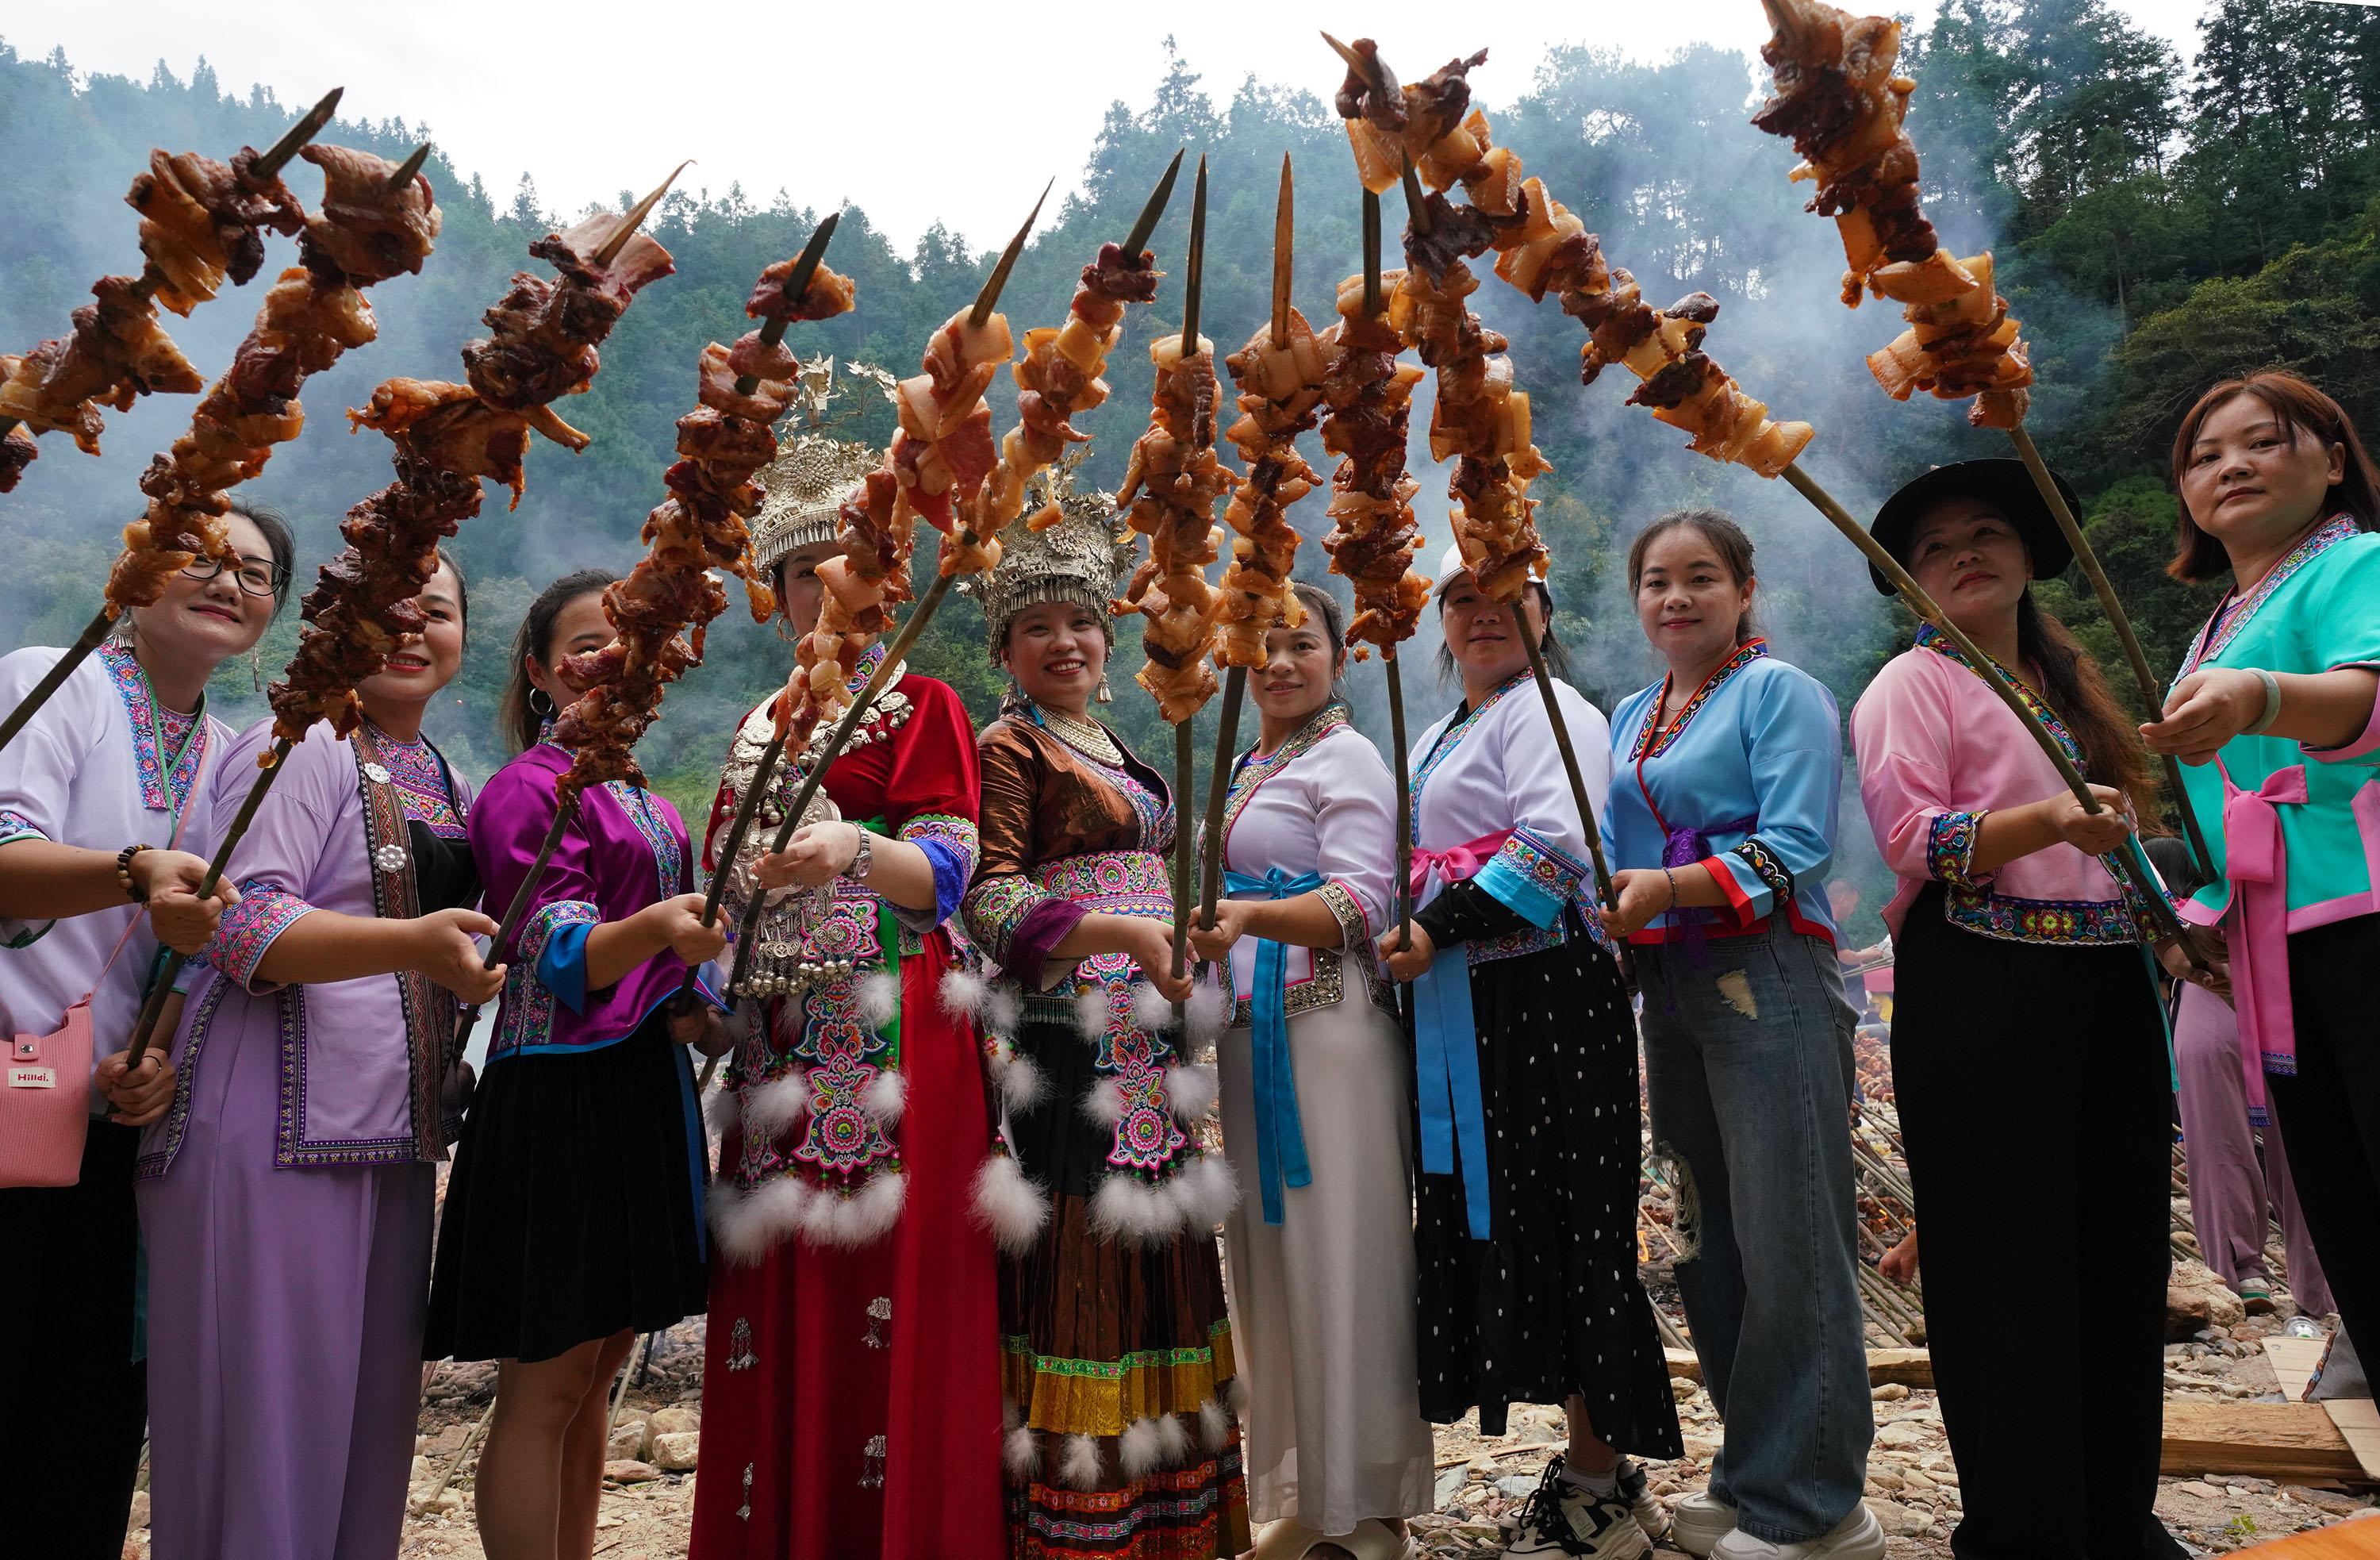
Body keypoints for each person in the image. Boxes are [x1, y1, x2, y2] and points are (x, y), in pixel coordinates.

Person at [1849, 458, 2198, 1560]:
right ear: (1912, 578)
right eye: (1936, 544)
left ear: (2029, 551)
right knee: (2004, 1266)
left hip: (2105, 983)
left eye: (1986, 530)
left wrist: (2177, 929)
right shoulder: (1912, 684)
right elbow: (1917, 839)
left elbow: (2117, 851)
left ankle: (2115, 1515)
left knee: (2119, 1252)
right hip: (1982, 986)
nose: (1964, 551)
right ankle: (2024, 1529)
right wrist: (2049, 818)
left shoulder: (2063, 679)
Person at [138, 553, 503, 1560]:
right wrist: (415, 945)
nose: (413, 627)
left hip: (391, 1131)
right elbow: (240, 921)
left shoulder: (447, 776)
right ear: (336, 621)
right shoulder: (299, 741)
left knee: (363, 1435)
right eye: (389, 607)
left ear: (463, 639)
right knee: (265, 1429)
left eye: (437, 611)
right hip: (267, 1121)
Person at [688, 439, 1000, 1558]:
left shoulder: (922, 703)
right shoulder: (756, 724)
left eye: (849, 572)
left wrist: (854, 847)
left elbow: (949, 868)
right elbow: (723, 886)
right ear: (774, 597)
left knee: (889, 1276)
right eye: (802, 576)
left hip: (891, 1020)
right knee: (781, 1277)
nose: (827, 595)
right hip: (774, 1033)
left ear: (886, 586)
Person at [955, 482, 1250, 1560]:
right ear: (1005, 648)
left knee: (1160, 1243)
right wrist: (1123, 930)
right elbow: (989, 898)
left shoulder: (1114, 742)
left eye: (1081, 620)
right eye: (1037, 625)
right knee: (1084, 1252)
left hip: (1146, 1037)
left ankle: (1174, 1523)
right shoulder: (1007, 747)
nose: (1064, 641)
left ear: (1110, 637)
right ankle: (1087, 1532)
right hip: (1070, 1038)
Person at [1375, 546, 1682, 1559]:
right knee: (1509, 1213)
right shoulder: (1441, 732)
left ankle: (1595, 1482)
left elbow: (1552, 849)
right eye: (1462, 598)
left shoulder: (1558, 711)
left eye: (1507, 596)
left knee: (1568, 1214)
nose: (1483, 612)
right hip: (1469, 997)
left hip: (1546, 996)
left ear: (1545, 612)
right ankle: (1598, 1470)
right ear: (1440, 621)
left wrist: (1435, 924)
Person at [0, 500, 292, 1560]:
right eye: (198, 555)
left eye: (254, 572)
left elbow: (204, 946)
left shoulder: (229, 753)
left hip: (111, 1118)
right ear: (135, 569)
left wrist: (159, 1052)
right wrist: (131, 870)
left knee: (83, 1417)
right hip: (8, 1091)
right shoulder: (55, 680)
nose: (227, 580)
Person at [424, 568, 730, 1560]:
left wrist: (698, 1000)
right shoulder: (528, 790)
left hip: (638, 1081)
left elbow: (661, 960)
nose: (610, 658)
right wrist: (662, 929)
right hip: (560, 1086)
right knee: (548, 1381)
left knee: (597, 1374)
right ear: (541, 671)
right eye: (587, 643)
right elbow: (560, 953)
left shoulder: (649, 801)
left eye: (630, 641)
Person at [1595, 510, 1879, 1560]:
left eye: (1701, 576)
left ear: (1744, 589)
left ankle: (1817, 1506)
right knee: (1707, 1232)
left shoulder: (1780, 691)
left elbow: (1798, 843)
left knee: (1789, 1230)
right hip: (1669, 980)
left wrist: (1666, 886)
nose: (1677, 597)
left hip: (1767, 969)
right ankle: (1756, 1470)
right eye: (1657, 580)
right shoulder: (1633, 712)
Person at [1182, 582, 1434, 1558]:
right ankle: (1306, 1493)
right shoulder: (1254, 761)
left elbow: (1363, 901)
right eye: (1263, 646)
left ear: (1340, 656)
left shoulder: (1348, 756)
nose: (1281, 663)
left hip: (1330, 1030)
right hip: (1255, 1034)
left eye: (1303, 644)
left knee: (1344, 1255)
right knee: (1272, 1263)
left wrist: (1247, 912)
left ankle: (1368, 1508)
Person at [2140, 370, 2380, 1358]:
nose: (2231, 465)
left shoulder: (2357, 560)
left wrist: (2259, 696)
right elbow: (2215, 808)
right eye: (2205, 455)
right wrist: (2198, 912)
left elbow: (2368, 695)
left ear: (2333, 463)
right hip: (2273, 933)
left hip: (2361, 903)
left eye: (2263, 441)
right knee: (2335, 1175)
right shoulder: (2216, 626)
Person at [2143, 836, 2333, 1318]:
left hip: (2203, 1013)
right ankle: (2322, 1283)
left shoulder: (2163, 908)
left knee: (2218, 1145)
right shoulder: (2243, 884)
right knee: (2303, 1147)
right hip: (2276, 1003)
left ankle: (2244, 1274)